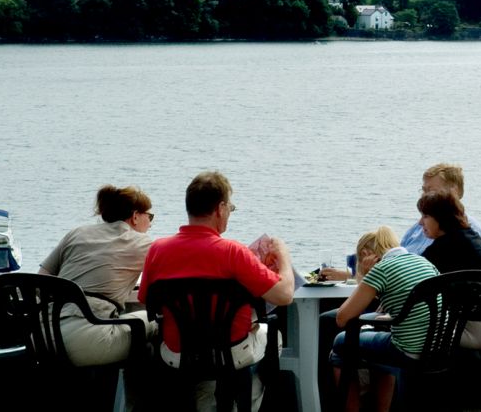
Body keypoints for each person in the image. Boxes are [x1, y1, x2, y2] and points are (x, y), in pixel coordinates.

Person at [140, 171, 294, 412]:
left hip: (178, 354)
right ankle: (240, 405)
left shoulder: (157, 250)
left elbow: (147, 301)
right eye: (230, 209)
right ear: (220, 208)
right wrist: (283, 257)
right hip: (230, 353)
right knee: (273, 337)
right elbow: (284, 295)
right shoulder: (234, 252)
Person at [39, 184, 157, 367]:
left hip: (43, 335)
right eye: (150, 217)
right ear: (135, 216)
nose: (150, 224)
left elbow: (42, 279)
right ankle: (138, 396)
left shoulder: (77, 233)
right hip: (86, 341)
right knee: (153, 323)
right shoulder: (142, 243)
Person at [331, 228, 439, 412]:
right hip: (439, 347)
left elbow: (342, 318)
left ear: (365, 254)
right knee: (381, 340)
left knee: (340, 345)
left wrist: (364, 274)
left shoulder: (382, 269)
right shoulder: (423, 261)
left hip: (409, 350)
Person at [418, 189, 481, 350]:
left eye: (425, 216)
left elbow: (410, 277)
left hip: (474, 327)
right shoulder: (467, 238)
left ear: (441, 218)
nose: (420, 222)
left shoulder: (445, 246)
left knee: (403, 335)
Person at [397, 162, 481, 255]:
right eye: (424, 190)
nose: (424, 196)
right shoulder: (417, 229)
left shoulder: (472, 231)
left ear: (454, 193)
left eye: (431, 191)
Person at [317, 226, 398, 283]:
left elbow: (352, 306)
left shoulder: (379, 275)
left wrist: (366, 274)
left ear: (364, 253)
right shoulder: (399, 264)